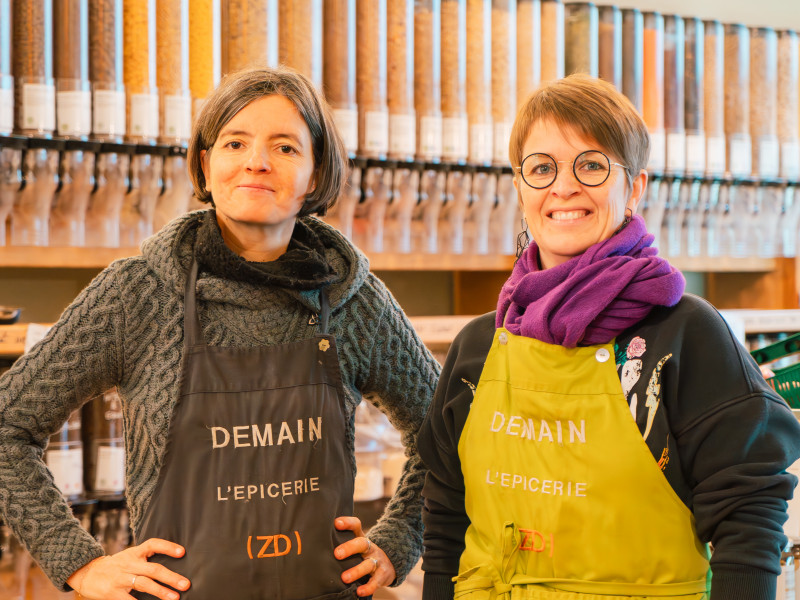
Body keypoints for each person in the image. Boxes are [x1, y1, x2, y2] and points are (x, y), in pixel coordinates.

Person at [0, 66, 440, 600]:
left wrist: (399, 540)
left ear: (316, 173)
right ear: (207, 166)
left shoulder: (354, 300)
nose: (257, 161)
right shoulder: (137, 294)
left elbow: (447, 430)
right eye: (235, 142)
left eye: (285, 147)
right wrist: (80, 563)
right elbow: (8, 427)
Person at [417, 73, 800, 600]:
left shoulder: (683, 336)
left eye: (592, 165)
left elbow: (748, 515)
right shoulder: (478, 347)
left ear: (634, 188)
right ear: (519, 187)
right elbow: (444, 520)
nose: (564, 187)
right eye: (542, 168)